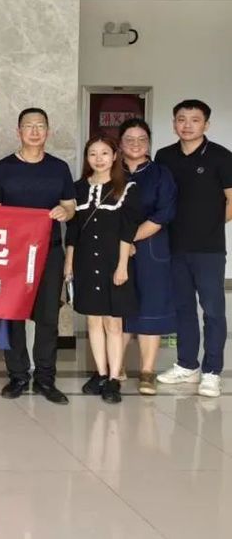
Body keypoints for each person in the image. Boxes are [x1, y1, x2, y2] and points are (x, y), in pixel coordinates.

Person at [0, 107, 76, 405]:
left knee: (48, 317)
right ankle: (17, 375)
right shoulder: (2, 168)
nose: (35, 131)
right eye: (29, 126)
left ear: (48, 131)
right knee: (13, 314)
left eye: (40, 126)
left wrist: (65, 211)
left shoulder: (59, 168)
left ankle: (45, 378)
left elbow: (70, 206)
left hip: (49, 251)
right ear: (19, 131)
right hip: (12, 254)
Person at [156, 99, 232, 398]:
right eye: (181, 119)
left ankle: (212, 372)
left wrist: (211, 224)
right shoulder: (164, 156)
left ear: (206, 124)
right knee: (183, 308)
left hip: (209, 249)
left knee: (213, 310)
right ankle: (187, 365)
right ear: (174, 123)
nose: (187, 125)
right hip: (174, 247)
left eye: (195, 120)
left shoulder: (221, 156)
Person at [66, 135, 142, 404]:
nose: (99, 159)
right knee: (93, 321)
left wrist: (122, 266)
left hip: (113, 262)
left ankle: (113, 378)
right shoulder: (77, 188)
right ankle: (99, 373)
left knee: (113, 322)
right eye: (93, 154)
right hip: (85, 262)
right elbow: (73, 230)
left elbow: (127, 231)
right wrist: (69, 264)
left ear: (115, 156)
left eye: (104, 153)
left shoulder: (127, 188)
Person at [117, 117, 177, 396]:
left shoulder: (161, 174)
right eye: (129, 139)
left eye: (142, 139)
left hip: (152, 248)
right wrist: (120, 243)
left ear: (149, 144)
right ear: (120, 144)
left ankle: (147, 371)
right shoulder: (110, 171)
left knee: (151, 307)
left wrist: (130, 239)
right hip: (114, 250)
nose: (136, 144)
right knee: (117, 308)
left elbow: (164, 213)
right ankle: (116, 366)